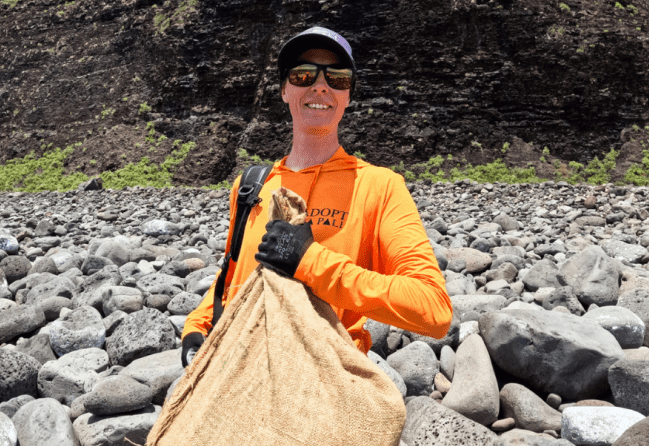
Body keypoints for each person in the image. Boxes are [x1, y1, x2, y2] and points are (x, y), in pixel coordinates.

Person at [181, 26, 452, 364]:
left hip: (324, 379)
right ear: (284, 90)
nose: (320, 85)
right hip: (235, 368)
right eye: (304, 74)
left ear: (348, 95)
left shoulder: (380, 186)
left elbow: (433, 309)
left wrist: (310, 260)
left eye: (337, 78)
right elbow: (231, 276)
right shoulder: (250, 185)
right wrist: (197, 326)